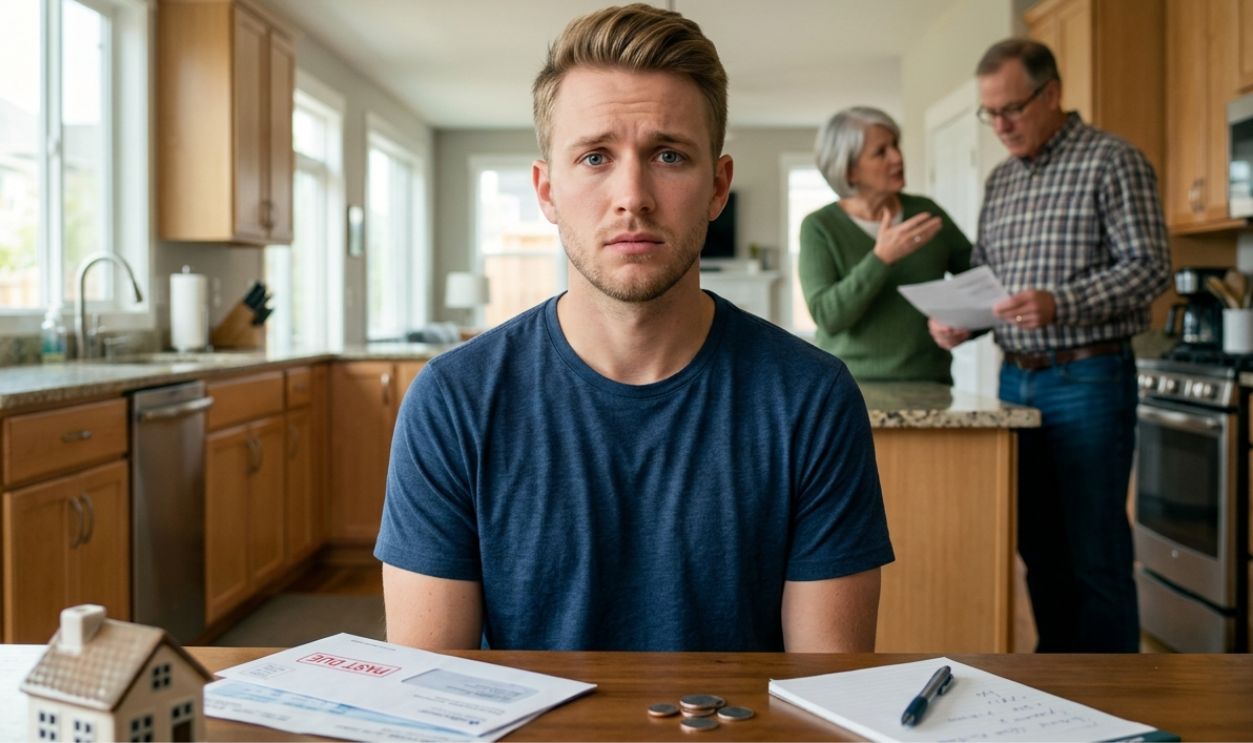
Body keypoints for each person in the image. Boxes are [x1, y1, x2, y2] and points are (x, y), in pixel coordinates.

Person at [375, 3, 894, 653]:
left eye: (669, 155)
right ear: (545, 192)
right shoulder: (453, 400)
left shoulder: (811, 399)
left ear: (717, 186)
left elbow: (823, 689)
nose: (633, 196)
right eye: (594, 157)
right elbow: (432, 694)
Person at [930, 39, 1170, 652]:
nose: (1001, 125)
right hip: (1017, 380)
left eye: (1011, 108)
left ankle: (1119, 700)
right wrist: (966, 321)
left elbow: (1149, 268)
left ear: (1053, 94)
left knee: (1095, 553)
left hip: (1088, 379)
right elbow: (993, 282)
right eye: (991, 113)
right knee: (1037, 547)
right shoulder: (1002, 181)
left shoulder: (1114, 160)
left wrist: (1061, 302)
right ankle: (1060, 688)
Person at [799, 107, 972, 383]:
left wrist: (962, 325)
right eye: (881, 152)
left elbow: (979, 281)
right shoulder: (819, 227)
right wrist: (881, 258)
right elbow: (827, 316)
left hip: (929, 384)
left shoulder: (926, 213)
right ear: (849, 170)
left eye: (895, 145)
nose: (897, 157)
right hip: (848, 388)